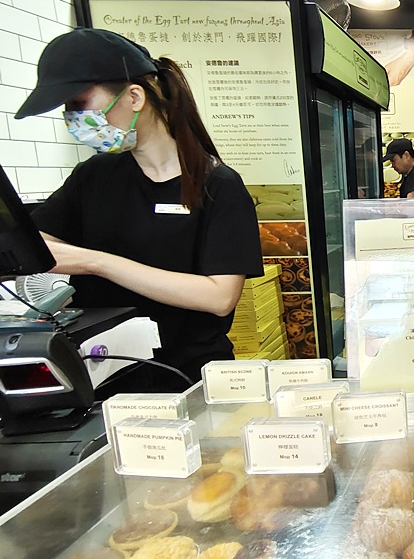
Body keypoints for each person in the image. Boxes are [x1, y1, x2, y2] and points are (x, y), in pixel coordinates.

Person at [14, 28, 263, 388]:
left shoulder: (217, 185)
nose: (73, 119)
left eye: (79, 104)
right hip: (104, 374)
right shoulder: (94, 176)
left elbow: (219, 297)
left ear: (134, 97)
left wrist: (96, 262)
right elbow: (32, 244)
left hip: (189, 376)